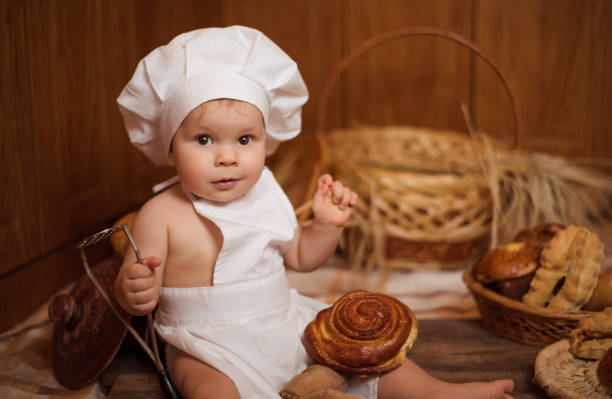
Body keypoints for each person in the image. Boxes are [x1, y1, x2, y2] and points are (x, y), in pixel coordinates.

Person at [115, 26, 515, 399]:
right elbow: (135, 291)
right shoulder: (160, 213)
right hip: (204, 341)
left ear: (265, 141)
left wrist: (325, 226)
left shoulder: (267, 193)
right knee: (204, 384)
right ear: (169, 148)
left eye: (244, 139)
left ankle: (436, 392)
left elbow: (302, 258)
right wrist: (133, 288)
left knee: (369, 357)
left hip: (283, 322)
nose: (227, 157)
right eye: (204, 139)